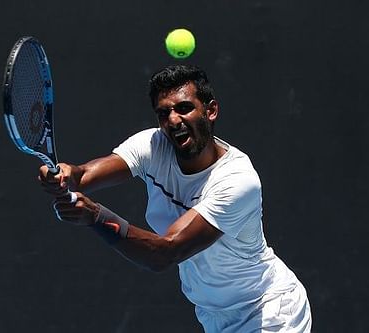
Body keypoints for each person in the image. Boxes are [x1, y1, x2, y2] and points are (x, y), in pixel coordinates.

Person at [39, 65, 312, 332]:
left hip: (269, 312)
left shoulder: (238, 181)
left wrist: (97, 217)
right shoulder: (152, 146)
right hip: (214, 317)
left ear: (211, 111)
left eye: (184, 108)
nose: (173, 120)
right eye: (163, 113)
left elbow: (165, 252)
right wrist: (65, 175)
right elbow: (84, 175)